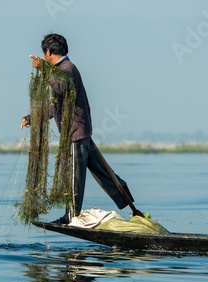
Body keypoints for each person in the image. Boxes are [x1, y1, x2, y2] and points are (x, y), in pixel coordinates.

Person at [21, 33, 134, 224]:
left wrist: (44, 70)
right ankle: (127, 200)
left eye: (45, 53)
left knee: (74, 176)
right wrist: (33, 117)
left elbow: (62, 87)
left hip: (75, 132)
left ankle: (71, 216)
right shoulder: (61, 70)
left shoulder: (67, 69)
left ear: (49, 52)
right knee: (101, 171)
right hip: (80, 131)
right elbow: (54, 103)